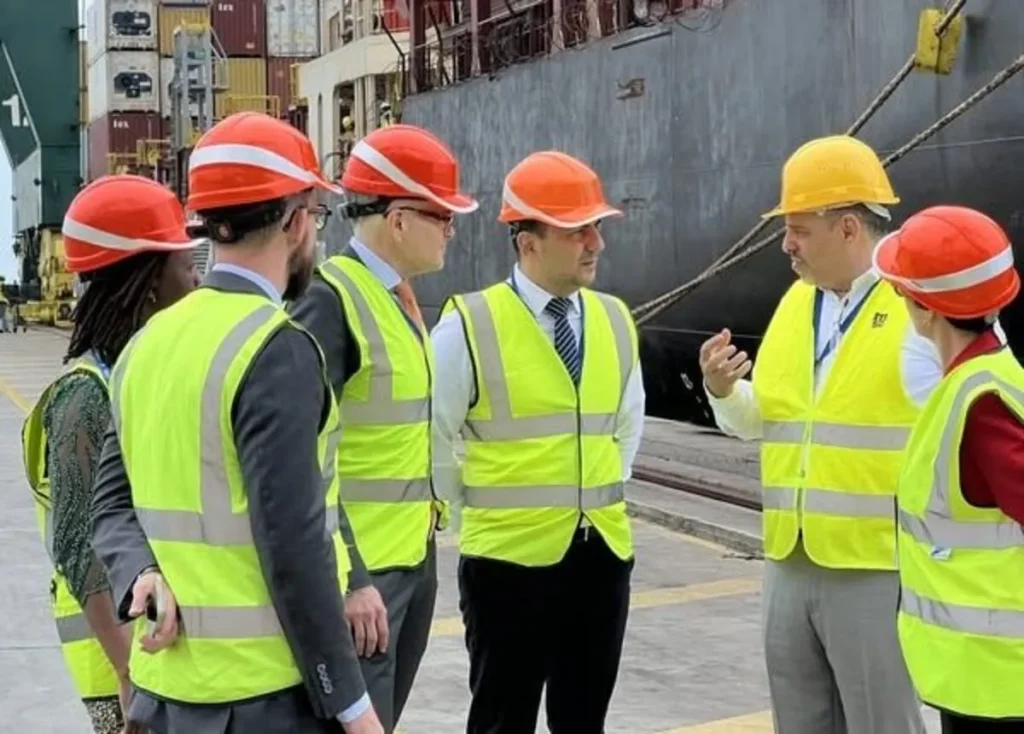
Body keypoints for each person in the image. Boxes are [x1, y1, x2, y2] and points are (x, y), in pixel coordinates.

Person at [89, 111, 385, 734]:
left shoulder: (146, 345)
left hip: (163, 699)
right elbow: (293, 548)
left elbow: (109, 506)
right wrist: (352, 706)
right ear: (296, 221)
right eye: (316, 216)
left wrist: (140, 571)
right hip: (264, 701)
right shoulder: (276, 347)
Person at [698, 134, 936, 733]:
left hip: (875, 567)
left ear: (850, 228)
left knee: (883, 723)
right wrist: (725, 393)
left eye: (800, 229)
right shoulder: (796, 305)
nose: (786, 244)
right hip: (789, 558)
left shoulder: (920, 307)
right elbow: (767, 419)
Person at [431, 150, 646, 734]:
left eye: (596, 228)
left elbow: (627, 430)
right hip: (505, 566)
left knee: (584, 722)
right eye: (578, 230)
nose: (595, 243)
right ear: (526, 240)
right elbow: (434, 438)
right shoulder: (468, 326)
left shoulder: (615, 320)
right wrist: (473, 508)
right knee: (504, 721)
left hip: (600, 559)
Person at [290, 123, 477, 733]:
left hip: (409, 564)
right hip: (364, 582)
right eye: (443, 216)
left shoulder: (395, 301)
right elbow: (303, 459)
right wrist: (348, 577)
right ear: (398, 219)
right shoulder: (331, 301)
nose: (452, 229)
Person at [20, 174, 200, 733]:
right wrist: (128, 673)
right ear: (148, 282)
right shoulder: (84, 395)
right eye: (186, 267)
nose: (196, 282)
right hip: (117, 657)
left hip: (153, 639)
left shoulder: (136, 374)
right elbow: (78, 544)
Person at [872, 205, 1024, 734]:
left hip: (994, 678)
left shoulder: (980, 402)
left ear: (925, 308)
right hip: (977, 669)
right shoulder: (985, 378)